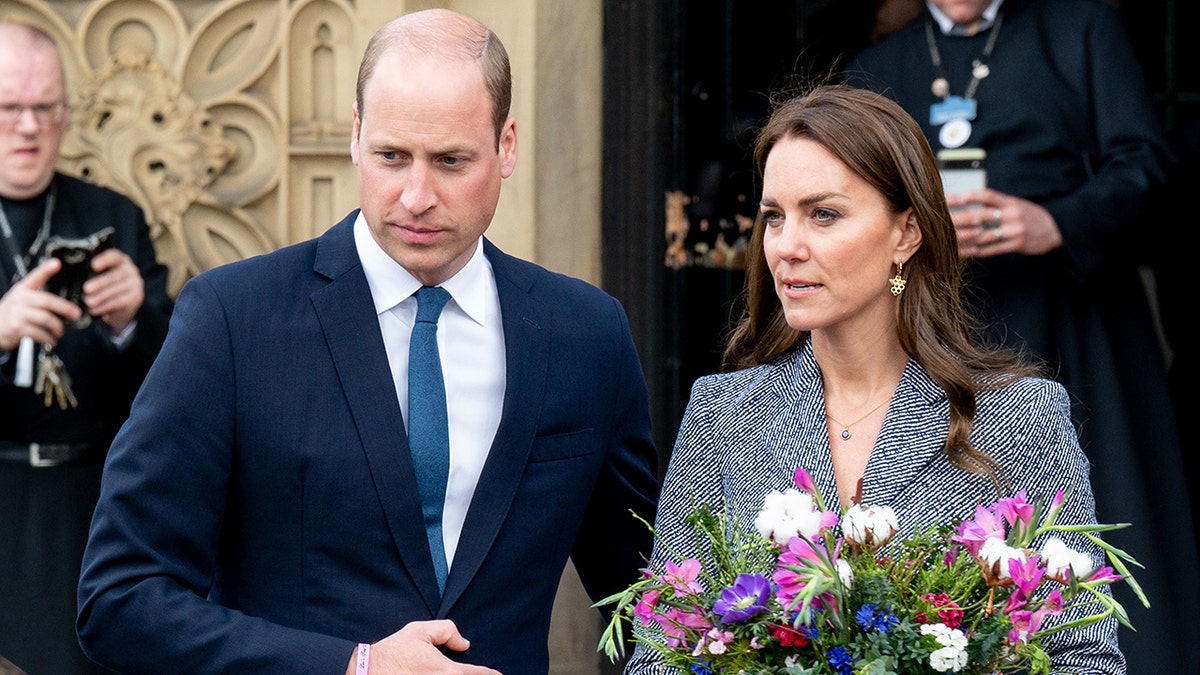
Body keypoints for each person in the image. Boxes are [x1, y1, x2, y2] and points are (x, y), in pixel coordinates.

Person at [76, 8, 660, 674]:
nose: (416, 195)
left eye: (449, 161)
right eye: (391, 156)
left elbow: (658, 608)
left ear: (506, 146)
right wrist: (354, 665)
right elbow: (118, 600)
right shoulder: (232, 321)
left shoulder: (587, 335)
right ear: (355, 136)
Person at [625, 84, 1123, 674]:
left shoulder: (1017, 416)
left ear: (906, 234)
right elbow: (662, 651)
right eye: (774, 218)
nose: (786, 246)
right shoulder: (723, 412)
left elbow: (1082, 655)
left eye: (824, 215)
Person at [841, 1, 1199, 670]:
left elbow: (1147, 164)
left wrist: (1056, 221)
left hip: (1071, 321)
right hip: (933, 329)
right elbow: (849, 204)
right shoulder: (877, 68)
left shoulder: (1081, 29)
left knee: (1103, 504)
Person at [0, 20, 173, 675]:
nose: (28, 127)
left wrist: (135, 317)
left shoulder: (113, 214)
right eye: (9, 108)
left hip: (95, 506)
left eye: (46, 108)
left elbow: (177, 384)